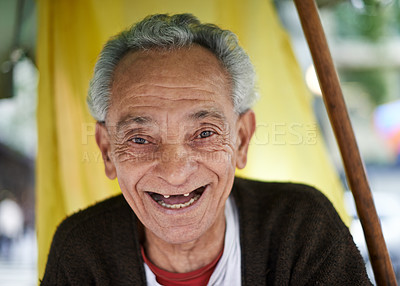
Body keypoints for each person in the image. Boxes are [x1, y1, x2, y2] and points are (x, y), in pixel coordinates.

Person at [41, 14, 371, 285]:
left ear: (241, 140)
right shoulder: (81, 248)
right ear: (107, 151)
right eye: (140, 138)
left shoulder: (300, 226)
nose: (174, 172)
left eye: (204, 133)